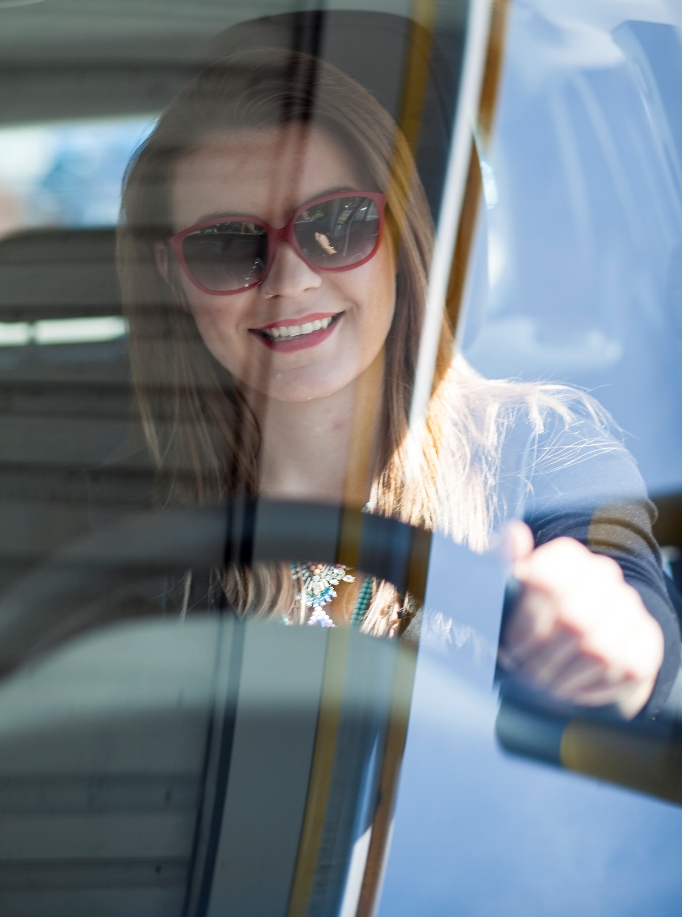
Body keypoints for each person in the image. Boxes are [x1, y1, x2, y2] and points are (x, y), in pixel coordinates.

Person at [116, 48, 678, 720]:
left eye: (336, 223)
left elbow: (625, 606)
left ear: (397, 232)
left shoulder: (542, 453)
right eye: (228, 245)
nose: (291, 280)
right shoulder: (117, 517)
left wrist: (611, 645)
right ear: (171, 275)